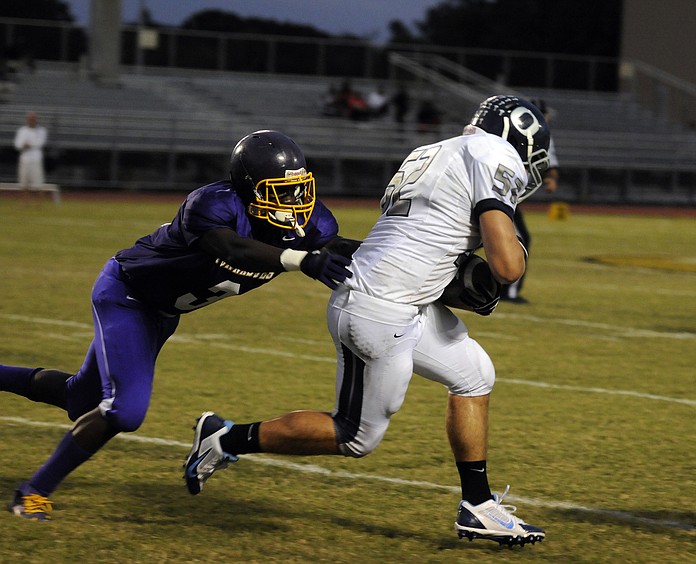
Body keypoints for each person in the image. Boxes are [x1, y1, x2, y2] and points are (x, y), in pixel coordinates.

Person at [183, 95, 551, 546]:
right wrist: (506, 261)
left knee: (474, 375)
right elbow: (509, 267)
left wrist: (457, 281)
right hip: (379, 307)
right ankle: (223, 437)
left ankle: (478, 505)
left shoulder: (433, 150)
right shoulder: (496, 153)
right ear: (520, 136)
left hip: (398, 296)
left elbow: (419, 237)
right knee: (355, 436)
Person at [0, 130, 355, 521]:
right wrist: (299, 260)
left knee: (80, 399)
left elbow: (334, 248)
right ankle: (33, 490)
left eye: (299, 190)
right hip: (127, 294)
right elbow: (231, 248)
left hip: (164, 313)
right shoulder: (213, 205)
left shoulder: (314, 222)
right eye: (280, 192)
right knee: (124, 411)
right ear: (248, 188)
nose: (295, 202)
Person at [501, 99, 560, 304]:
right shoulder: (520, 133)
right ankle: (508, 291)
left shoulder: (537, 134)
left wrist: (551, 177)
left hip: (504, 196)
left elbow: (548, 163)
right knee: (518, 239)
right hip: (499, 196)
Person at [14, 111, 48, 192]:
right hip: (24, 159)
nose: (31, 120)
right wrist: (23, 145)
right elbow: (17, 144)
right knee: (23, 183)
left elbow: (40, 142)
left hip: (36, 159)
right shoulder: (22, 130)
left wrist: (29, 145)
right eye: (29, 118)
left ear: (36, 120)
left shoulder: (42, 130)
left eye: (33, 119)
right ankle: (24, 203)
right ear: (27, 119)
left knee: (38, 183)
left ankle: (38, 203)